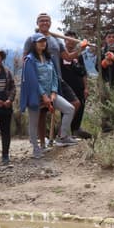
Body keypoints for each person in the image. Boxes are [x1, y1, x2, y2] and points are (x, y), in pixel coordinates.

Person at [23, 13, 86, 145]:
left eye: (47, 20)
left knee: (75, 103)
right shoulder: (31, 39)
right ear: (37, 23)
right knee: (42, 113)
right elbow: (25, 60)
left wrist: (81, 48)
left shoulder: (56, 41)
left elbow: (68, 57)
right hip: (40, 82)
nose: (45, 23)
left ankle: (61, 135)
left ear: (50, 23)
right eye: (42, 21)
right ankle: (41, 143)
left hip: (57, 79)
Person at [19, 32, 77, 159]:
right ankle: (36, 148)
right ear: (34, 44)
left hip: (51, 94)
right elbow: (33, 80)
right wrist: (43, 95)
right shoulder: (29, 60)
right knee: (34, 123)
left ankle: (63, 136)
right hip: (35, 96)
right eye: (40, 41)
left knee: (69, 109)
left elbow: (55, 76)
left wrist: (54, 92)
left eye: (44, 41)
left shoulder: (49, 59)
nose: (43, 43)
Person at [62, 31, 92, 139]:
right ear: (64, 40)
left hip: (79, 86)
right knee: (67, 108)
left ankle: (76, 129)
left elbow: (84, 72)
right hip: (65, 87)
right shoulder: (61, 54)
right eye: (68, 39)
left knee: (81, 107)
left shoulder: (79, 55)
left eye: (73, 39)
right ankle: (65, 132)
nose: (70, 41)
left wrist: (86, 87)